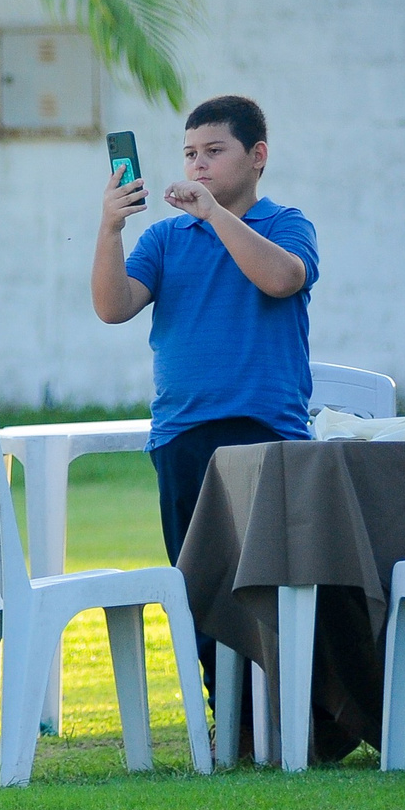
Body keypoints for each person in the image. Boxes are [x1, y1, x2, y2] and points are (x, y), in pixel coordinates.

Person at [90, 94, 317, 567]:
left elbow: (283, 280)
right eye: (190, 154)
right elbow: (113, 308)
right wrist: (110, 228)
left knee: (269, 581)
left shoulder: (285, 224)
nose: (199, 165)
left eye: (215, 151)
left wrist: (216, 215)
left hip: (267, 432)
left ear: (257, 157)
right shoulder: (164, 239)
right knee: (198, 587)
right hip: (182, 435)